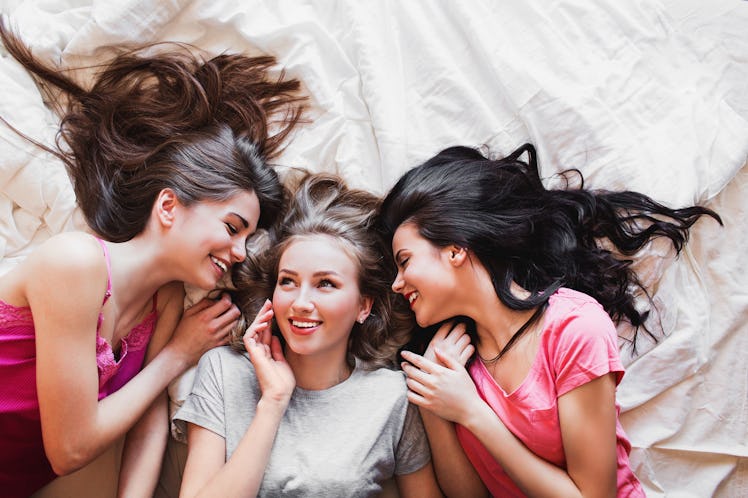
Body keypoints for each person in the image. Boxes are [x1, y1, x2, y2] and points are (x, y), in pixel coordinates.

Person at [0, 19, 305, 498]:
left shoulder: (164, 304)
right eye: (231, 228)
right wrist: (176, 356)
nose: (240, 252)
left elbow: (147, 424)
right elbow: (70, 449)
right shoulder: (75, 264)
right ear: (168, 207)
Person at [378, 143, 722, 497]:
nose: (397, 283)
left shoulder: (573, 328)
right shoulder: (456, 360)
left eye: (405, 261)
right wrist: (435, 402)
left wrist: (472, 412)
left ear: (454, 249)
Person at [174, 173, 443, 498]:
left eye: (325, 284)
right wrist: (273, 402)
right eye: (288, 281)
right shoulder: (223, 371)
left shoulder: (393, 398)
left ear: (363, 305)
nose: (300, 303)